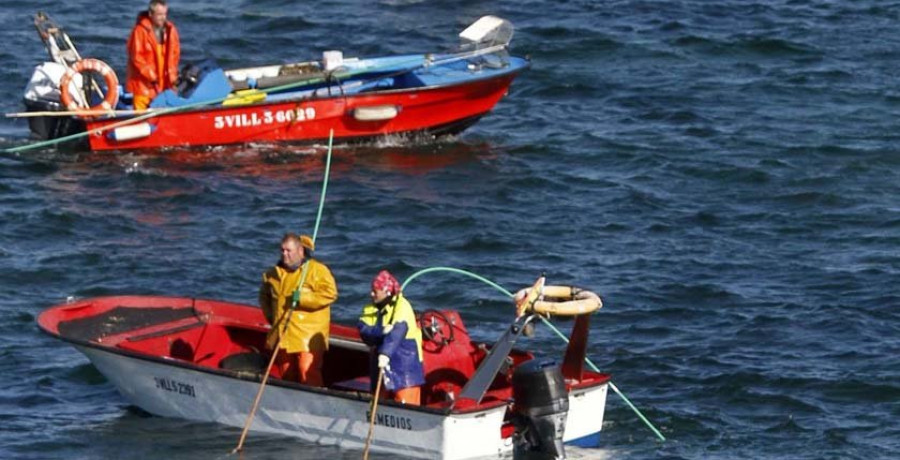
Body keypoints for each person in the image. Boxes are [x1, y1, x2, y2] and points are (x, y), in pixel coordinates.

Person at [259, 233, 338, 386]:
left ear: (300, 251)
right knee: (287, 372)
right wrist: (273, 318)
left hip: (307, 333)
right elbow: (264, 298)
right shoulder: (272, 274)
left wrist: (303, 299)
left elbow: (330, 294)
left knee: (306, 370)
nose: (284, 254)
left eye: (289, 251)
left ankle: (315, 403)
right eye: (282, 250)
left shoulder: (317, 270)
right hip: (282, 332)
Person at [357, 270, 425, 405]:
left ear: (386, 291)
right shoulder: (370, 308)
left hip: (404, 366)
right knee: (380, 402)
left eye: (375, 291)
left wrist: (385, 353)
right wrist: (381, 331)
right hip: (381, 369)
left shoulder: (402, 306)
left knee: (406, 404)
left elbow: (398, 331)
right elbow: (364, 330)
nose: (371, 294)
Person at [126, 0, 181, 111]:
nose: (163, 17)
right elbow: (137, 57)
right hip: (143, 85)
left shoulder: (171, 30)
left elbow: (175, 55)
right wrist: (151, 76)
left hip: (164, 83)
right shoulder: (139, 31)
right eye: (159, 14)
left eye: (165, 14)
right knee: (140, 116)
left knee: (164, 114)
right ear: (151, 14)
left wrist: (173, 78)